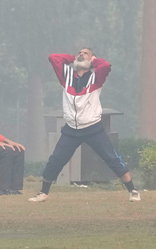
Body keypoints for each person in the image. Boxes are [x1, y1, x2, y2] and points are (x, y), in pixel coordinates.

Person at [29, 48, 140, 203]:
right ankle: (43, 193)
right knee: (56, 160)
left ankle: (133, 190)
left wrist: (94, 61)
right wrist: (72, 58)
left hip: (92, 128)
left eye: (85, 53)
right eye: (79, 53)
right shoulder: (66, 75)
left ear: (91, 59)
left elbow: (106, 66)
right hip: (71, 129)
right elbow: (53, 57)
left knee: (111, 158)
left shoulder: (96, 77)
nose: (81, 54)